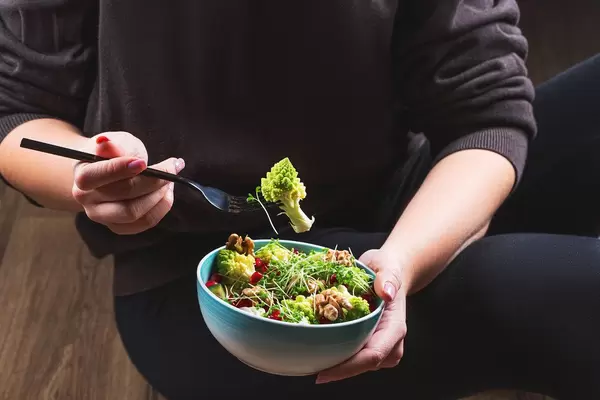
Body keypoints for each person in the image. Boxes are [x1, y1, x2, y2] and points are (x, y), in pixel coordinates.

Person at [0, 0, 598, 399]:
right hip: (202, 285)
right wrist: (96, 177)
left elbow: (485, 114)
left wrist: (404, 260)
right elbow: (17, 111)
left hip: (407, 201)